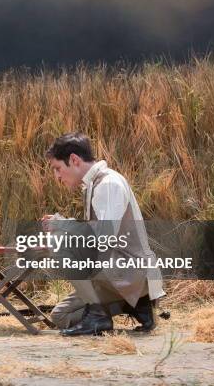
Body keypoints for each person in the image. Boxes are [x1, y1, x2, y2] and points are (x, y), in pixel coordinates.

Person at [43, 132, 165, 336]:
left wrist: (63, 226)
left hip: (129, 272)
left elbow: (104, 239)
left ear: (74, 160)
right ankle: (133, 304)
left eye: (58, 168)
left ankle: (100, 315)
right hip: (121, 272)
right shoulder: (96, 184)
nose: (57, 176)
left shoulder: (108, 185)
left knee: (59, 242)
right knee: (61, 316)